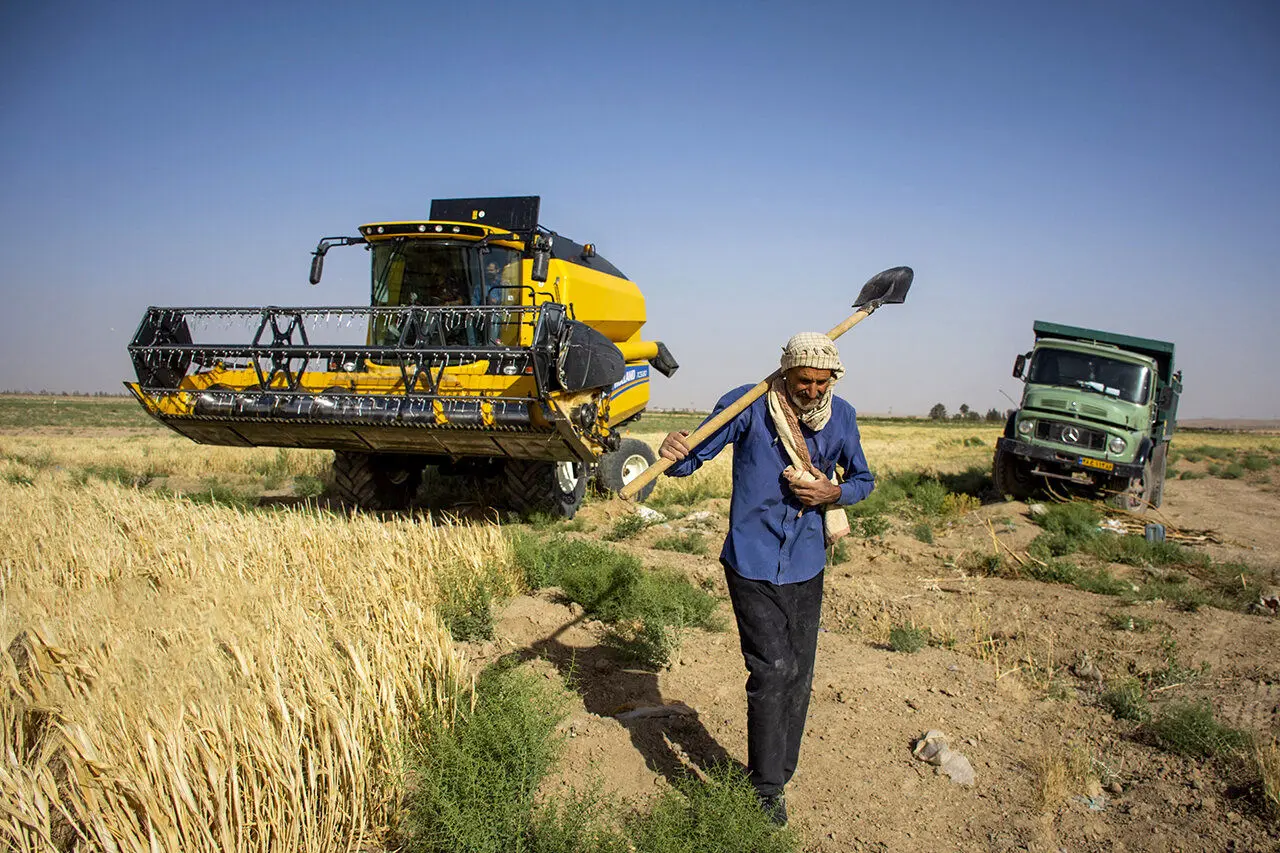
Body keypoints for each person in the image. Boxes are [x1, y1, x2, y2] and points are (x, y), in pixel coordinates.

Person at [659, 332, 875, 826]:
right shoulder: (750, 402)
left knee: (798, 674)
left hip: (806, 564)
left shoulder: (841, 415)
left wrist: (831, 492)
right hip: (752, 562)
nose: (814, 391)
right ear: (785, 373)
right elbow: (692, 457)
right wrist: (675, 448)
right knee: (773, 669)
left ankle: (781, 769)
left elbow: (864, 480)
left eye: (823, 383)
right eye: (805, 381)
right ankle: (766, 789)